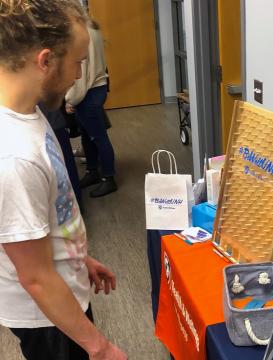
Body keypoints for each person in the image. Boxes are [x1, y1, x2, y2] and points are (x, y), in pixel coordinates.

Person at [0, 1, 127, 359]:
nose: (78, 74)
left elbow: (47, 215)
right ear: (45, 61)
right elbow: (36, 278)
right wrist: (99, 348)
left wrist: (79, 257)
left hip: (62, 291)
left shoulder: (29, 114)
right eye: (77, 62)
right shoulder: (13, 157)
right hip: (45, 317)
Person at [65, 18, 117, 198]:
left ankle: (108, 179)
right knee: (88, 136)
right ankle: (92, 172)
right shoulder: (92, 26)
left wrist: (70, 100)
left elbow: (80, 74)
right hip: (97, 87)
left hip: (88, 91)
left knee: (98, 137)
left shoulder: (78, 33)